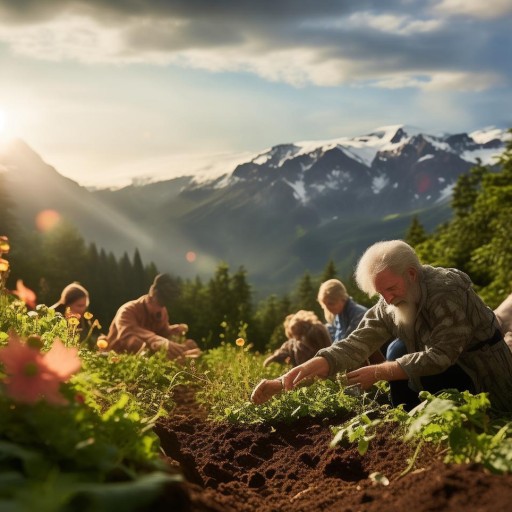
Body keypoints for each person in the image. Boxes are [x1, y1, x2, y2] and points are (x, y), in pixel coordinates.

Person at [251, 240, 512, 413]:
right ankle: (408, 419)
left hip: (480, 373)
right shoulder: (393, 299)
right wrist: (284, 381)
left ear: (411, 274)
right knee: (397, 350)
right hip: (443, 369)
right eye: (380, 292)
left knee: (396, 355)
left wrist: (378, 372)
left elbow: (441, 356)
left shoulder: (446, 292)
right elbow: (354, 345)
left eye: (391, 288)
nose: (387, 299)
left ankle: (438, 424)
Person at [101, 273, 200, 360]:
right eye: (157, 303)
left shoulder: (162, 311)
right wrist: (157, 341)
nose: (159, 309)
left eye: (163, 305)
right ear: (150, 297)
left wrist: (175, 331)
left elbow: (163, 332)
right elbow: (127, 333)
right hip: (116, 357)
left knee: (190, 346)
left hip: (147, 359)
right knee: (137, 342)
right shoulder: (127, 310)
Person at [318, 278, 385, 364]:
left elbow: (349, 344)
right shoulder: (339, 315)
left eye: (331, 303)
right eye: (325, 305)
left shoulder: (359, 315)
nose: (328, 308)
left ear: (342, 299)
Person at [263, 310, 332, 367]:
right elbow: (285, 349)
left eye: (298, 334)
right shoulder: (295, 342)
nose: (297, 337)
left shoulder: (317, 330)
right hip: (304, 371)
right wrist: (273, 357)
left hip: (321, 366)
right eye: (294, 335)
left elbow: (327, 348)